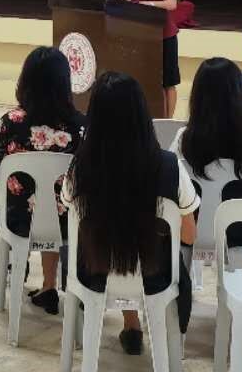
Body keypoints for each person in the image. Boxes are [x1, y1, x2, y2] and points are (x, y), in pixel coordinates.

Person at [60, 71, 198, 354]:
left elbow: (71, 220)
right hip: (156, 277)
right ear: (142, 115)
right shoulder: (170, 166)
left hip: (95, 274)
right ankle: (148, 335)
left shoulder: (79, 168)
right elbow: (188, 235)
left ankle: (130, 324)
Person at [0, 45, 84, 315]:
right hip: (67, 224)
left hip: (20, 221)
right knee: (54, 207)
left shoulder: (10, 122)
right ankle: (49, 285)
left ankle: (19, 265)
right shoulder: (81, 126)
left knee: (10, 210)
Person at [181, 57, 242, 251]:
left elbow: (178, 191)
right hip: (239, 240)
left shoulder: (183, 139)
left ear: (197, 97)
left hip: (193, 238)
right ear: (241, 94)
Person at [123, 0, 180, 118]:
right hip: (143, 36)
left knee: (168, 82)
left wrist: (149, 4)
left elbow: (172, 4)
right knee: (148, 78)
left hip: (165, 36)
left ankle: (168, 119)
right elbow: (125, 4)